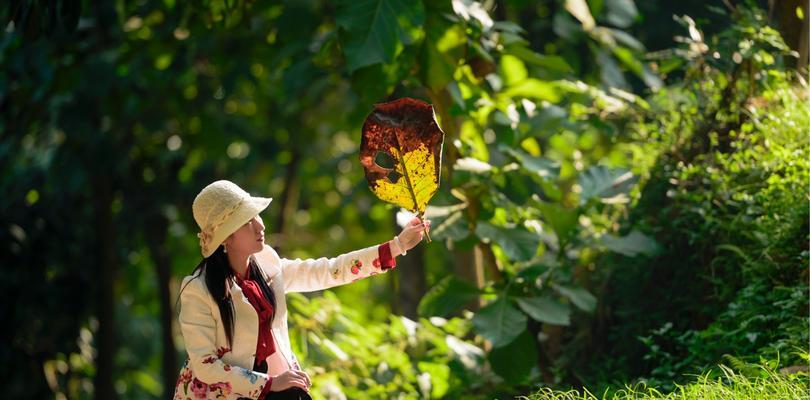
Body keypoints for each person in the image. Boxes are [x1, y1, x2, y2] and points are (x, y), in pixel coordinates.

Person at [172, 180, 430, 400]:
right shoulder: (198, 290)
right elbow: (205, 366)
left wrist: (396, 246)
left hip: (280, 383)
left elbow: (327, 271)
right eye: (247, 221)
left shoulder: (268, 263)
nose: (260, 226)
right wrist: (268, 384)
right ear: (225, 237)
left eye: (256, 216)